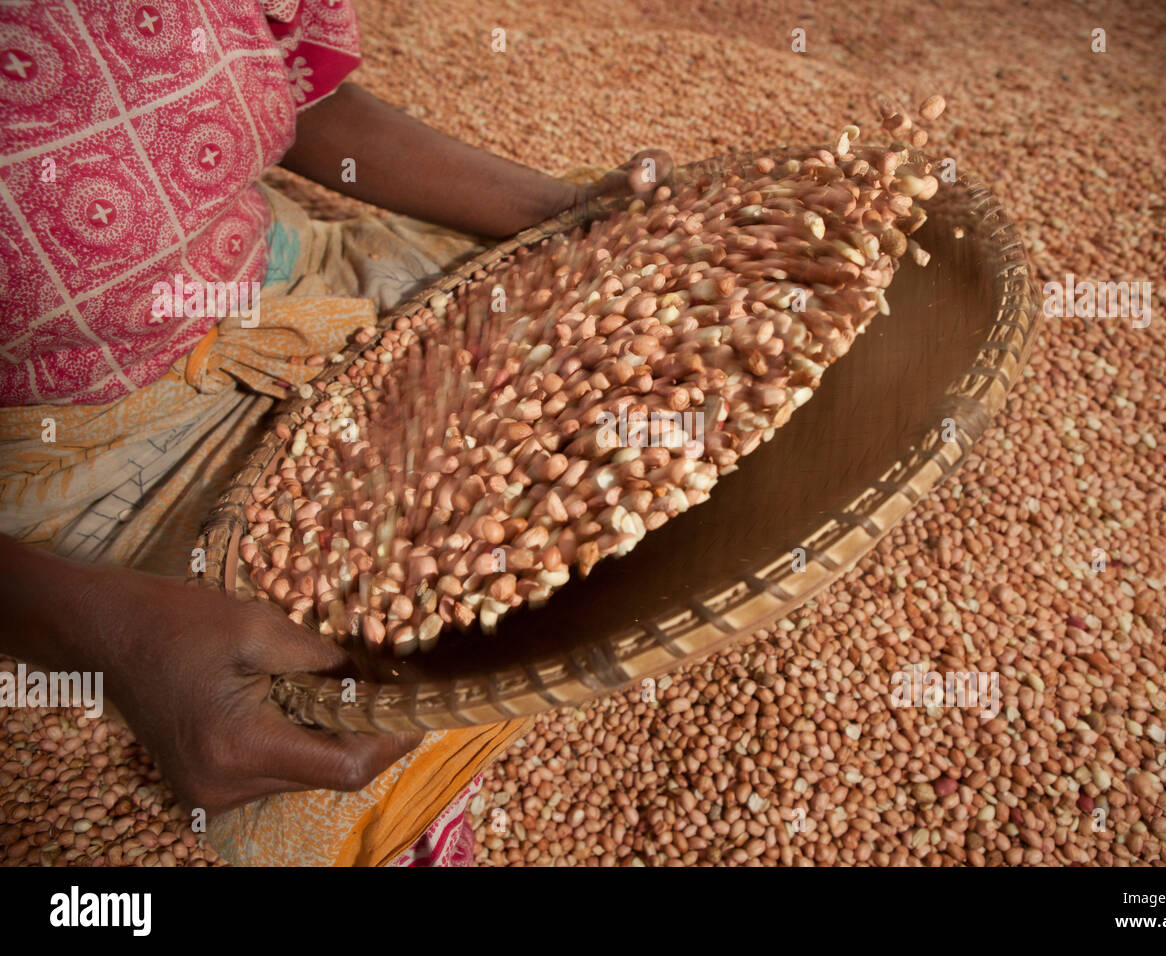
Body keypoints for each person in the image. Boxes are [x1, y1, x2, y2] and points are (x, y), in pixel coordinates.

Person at [0, 0, 670, 866]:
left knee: (617, 375)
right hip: (84, 438)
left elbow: (307, 98)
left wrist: (566, 205)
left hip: (288, 273)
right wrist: (96, 630)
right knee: (336, 701)